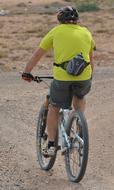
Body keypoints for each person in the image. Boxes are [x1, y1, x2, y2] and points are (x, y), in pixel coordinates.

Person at [22, 6, 96, 156]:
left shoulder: (56, 31)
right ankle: (79, 129)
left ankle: (50, 144)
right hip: (84, 77)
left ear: (60, 20)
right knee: (79, 96)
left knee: (54, 106)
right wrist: (89, 77)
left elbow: (37, 55)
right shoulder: (86, 32)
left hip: (62, 78)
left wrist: (27, 72)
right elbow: (91, 58)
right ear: (76, 20)